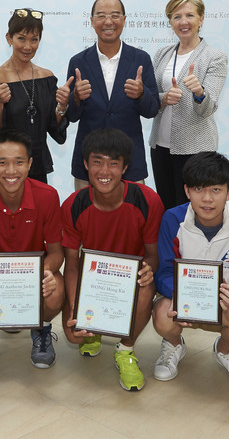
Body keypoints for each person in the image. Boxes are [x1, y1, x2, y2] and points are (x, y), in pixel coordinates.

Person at [152, 151, 229, 389]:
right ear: (186, 191)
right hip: (185, 307)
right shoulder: (172, 220)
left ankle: (225, 350)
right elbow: (163, 272)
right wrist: (179, 293)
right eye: (198, 189)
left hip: (227, 306)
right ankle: (174, 345)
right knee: (163, 313)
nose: (207, 199)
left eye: (215, 190)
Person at [61, 128, 164, 391]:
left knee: (145, 287)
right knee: (74, 335)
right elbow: (71, 263)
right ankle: (91, 330)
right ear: (85, 164)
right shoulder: (73, 204)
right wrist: (75, 308)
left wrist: (149, 270)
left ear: (125, 167)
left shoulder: (147, 200)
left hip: (129, 280)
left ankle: (125, 350)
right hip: (92, 279)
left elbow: (153, 254)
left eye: (113, 163)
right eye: (97, 162)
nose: (104, 171)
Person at [0, 129, 64, 369]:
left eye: (18, 162)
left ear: (29, 164)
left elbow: (57, 252)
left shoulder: (48, 196)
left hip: (32, 278)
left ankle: (41, 329)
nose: (10, 171)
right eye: (2, 163)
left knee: (56, 289)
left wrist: (46, 272)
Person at [65, 0, 159, 190]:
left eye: (115, 15)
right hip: (88, 161)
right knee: (86, 217)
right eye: (101, 16)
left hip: (129, 160)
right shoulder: (78, 62)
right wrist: (76, 98)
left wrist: (142, 94)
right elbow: (71, 116)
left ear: (124, 20)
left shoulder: (140, 59)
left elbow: (152, 110)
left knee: (133, 217)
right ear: (91, 22)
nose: (108, 22)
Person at [149, 0, 228, 210]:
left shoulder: (215, 56)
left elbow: (208, 108)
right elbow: (150, 97)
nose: (183, 22)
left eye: (190, 15)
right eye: (177, 16)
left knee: (191, 210)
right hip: (160, 146)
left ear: (201, 19)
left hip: (196, 148)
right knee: (166, 207)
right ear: (170, 22)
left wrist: (199, 92)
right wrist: (163, 98)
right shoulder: (161, 54)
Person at [0, 8, 70, 184]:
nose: (28, 46)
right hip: (4, 166)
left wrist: (62, 106)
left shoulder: (47, 77)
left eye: (34, 40)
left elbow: (53, 126)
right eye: (21, 38)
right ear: (9, 38)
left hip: (36, 163)